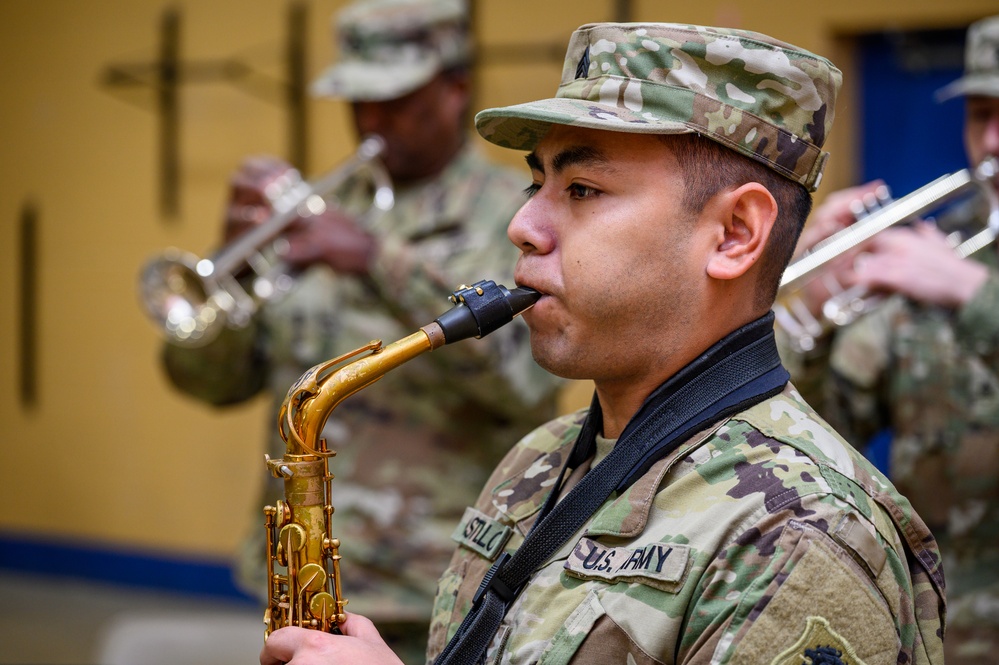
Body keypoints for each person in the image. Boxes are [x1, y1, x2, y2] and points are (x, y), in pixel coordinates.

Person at [259, 21, 946, 665]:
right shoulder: (538, 460)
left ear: (735, 233)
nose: (522, 225)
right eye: (537, 182)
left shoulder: (798, 536)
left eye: (581, 188)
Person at [160, 0, 560, 660]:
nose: (371, 120)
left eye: (395, 99)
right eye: (357, 101)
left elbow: (523, 383)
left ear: (455, 87)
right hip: (300, 575)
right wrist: (225, 281)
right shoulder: (318, 212)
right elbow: (212, 383)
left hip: (442, 584)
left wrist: (377, 260)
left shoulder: (519, 217)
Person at [777, 15, 999, 663]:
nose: (992, 141)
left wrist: (972, 295)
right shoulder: (932, 248)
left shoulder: (947, 271)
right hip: (937, 632)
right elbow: (819, 434)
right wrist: (810, 314)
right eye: (980, 114)